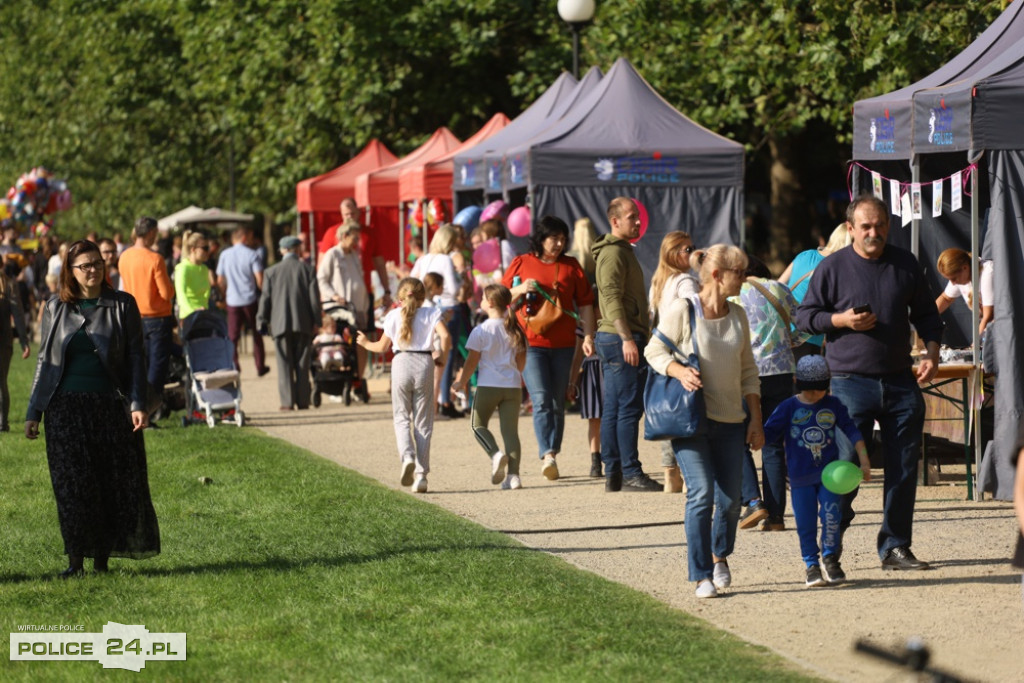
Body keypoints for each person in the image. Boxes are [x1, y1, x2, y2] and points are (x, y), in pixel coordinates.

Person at [796, 195, 944, 571]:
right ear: (851, 229)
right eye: (865, 227)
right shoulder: (832, 267)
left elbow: (928, 315)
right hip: (848, 382)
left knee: (904, 467)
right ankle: (830, 549)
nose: (873, 232)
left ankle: (895, 547)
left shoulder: (905, 263)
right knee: (844, 467)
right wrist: (841, 321)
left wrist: (931, 353)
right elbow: (805, 318)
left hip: (899, 381)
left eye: (879, 225)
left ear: (887, 226)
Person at [24, 240, 160, 577]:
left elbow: (136, 357)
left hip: (110, 407)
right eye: (84, 265)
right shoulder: (55, 307)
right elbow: (45, 362)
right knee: (71, 485)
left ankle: (101, 560)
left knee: (107, 484)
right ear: (70, 271)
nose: (93, 269)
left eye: (97, 262)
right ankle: (75, 561)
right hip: (65, 409)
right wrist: (33, 411)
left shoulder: (123, 304)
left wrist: (138, 403)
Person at [644, 244, 763, 599]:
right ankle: (700, 575)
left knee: (729, 502)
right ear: (717, 275)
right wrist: (678, 370)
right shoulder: (684, 309)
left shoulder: (739, 315)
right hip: (691, 421)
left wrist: (755, 420)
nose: (744, 279)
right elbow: (654, 350)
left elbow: (748, 372)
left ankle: (719, 556)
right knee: (701, 493)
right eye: (739, 273)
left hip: (731, 420)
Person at [762, 355, 872, 587]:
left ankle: (830, 558)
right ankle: (811, 565)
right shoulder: (788, 407)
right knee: (806, 523)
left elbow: (852, 432)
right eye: (810, 391)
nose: (815, 396)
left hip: (829, 477)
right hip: (800, 478)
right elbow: (768, 434)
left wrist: (864, 460)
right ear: (797, 383)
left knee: (832, 516)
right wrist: (751, 437)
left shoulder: (833, 405)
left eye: (820, 390)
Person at [503, 215, 596, 481]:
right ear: (541, 238)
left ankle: (553, 451)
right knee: (542, 399)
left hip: (565, 345)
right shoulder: (522, 262)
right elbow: (498, 297)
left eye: (562, 239)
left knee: (558, 402)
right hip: (531, 344)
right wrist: (520, 288)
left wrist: (588, 336)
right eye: (553, 238)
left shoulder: (571, 266)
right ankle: (547, 455)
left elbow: (586, 304)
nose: (558, 243)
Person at [735, 256, 810, 531]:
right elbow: (804, 326)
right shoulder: (780, 289)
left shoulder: (734, 293)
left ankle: (753, 502)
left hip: (745, 374)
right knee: (773, 445)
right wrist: (788, 343)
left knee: (737, 439)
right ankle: (776, 517)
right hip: (780, 372)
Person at [357, 277, 450, 493]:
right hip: (424, 363)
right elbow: (446, 336)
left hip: (400, 363)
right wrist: (443, 356)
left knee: (401, 417)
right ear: (422, 296)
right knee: (423, 422)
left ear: (400, 297)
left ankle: (407, 455)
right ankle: (421, 475)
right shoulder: (431, 313)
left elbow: (381, 347)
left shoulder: (392, 316)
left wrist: (364, 343)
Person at [593, 198, 659, 492]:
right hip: (619, 338)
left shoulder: (620, 251)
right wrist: (627, 338)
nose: (637, 222)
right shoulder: (613, 254)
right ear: (615, 221)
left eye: (638, 217)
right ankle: (629, 471)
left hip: (616, 337)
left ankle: (615, 474)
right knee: (628, 409)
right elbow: (610, 297)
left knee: (615, 409)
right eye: (631, 217)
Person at [451, 284, 528, 489]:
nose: (481, 302)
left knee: (477, 425)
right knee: (510, 432)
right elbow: (521, 365)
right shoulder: (515, 329)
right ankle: (514, 476)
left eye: (483, 298)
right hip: (512, 387)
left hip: (488, 386)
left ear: (491, 303)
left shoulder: (481, 330)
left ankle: (495, 454)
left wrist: (461, 382)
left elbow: (471, 362)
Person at [648, 231, 700, 493]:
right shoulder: (684, 282)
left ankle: (670, 473)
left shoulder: (659, 281)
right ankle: (686, 472)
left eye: (692, 248)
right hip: (684, 352)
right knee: (687, 411)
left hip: (663, 352)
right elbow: (697, 313)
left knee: (668, 409)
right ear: (672, 254)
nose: (691, 253)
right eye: (686, 249)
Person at [117, 216, 175, 421]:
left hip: (134, 316)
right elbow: (166, 293)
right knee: (156, 369)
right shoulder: (154, 259)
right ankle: (148, 412)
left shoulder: (124, 256)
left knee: (139, 366)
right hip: (157, 317)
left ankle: (137, 408)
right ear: (150, 233)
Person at [257, 236, 321, 411]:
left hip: (279, 324)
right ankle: (302, 401)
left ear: (282, 250)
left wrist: (261, 319)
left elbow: (266, 299)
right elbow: (314, 300)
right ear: (297, 250)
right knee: (302, 364)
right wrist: (318, 321)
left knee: (284, 364)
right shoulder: (308, 270)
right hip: (304, 323)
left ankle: (287, 402)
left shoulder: (271, 272)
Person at [412, 224, 467, 418]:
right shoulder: (446, 259)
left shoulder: (423, 259)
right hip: (446, 307)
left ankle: (432, 404)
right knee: (446, 356)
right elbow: (451, 288)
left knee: (430, 354)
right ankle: (443, 401)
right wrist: (461, 279)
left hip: (425, 308)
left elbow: (412, 282)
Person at [779, 224, 853, 360]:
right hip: (808, 336)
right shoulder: (837, 268)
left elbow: (779, 284)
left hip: (783, 330)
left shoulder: (805, 255)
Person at [318, 219, 372, 402]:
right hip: (340, 311)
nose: (357, 242)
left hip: (357, 310)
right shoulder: (333, 254)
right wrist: (333, 296)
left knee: (361, 345)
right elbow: (321, 279)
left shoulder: (354, 255)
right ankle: (339, 385)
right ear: (344, 236)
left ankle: (358, 380)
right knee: (342, 346)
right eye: (354, 238)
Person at [216, 224, 269, 377]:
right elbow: (260, 280)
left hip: (232, 300)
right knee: (257, 333)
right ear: (244, 237)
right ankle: (260, 365)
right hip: (250, 299)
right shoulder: (252, 255)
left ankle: (234, 365)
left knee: (233, 336)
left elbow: (220, 280)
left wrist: (224, 295)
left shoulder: (225, 255)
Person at [934, 247, 994, 336]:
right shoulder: (963, 274)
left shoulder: (988, 272)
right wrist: (927, 316)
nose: (953, 284)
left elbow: (988, 316)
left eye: (954, 279)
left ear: (965, 268)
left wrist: (976, 344)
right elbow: (946, 298)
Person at [1, 264, 30, 432]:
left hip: (4, 341)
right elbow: (18, 314)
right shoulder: (10, 284)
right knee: (1, 382)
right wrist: (23, 341)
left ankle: (2, 424)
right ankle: (2, 423)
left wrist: (24, 341)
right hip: (5, 341)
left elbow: (18, 315)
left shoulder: (8, 285)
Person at [173, 230, 213, 323]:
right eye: (205, 248)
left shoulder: (204, 268)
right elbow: (181, 295)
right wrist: (193, 311)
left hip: (203, 314)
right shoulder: (183, 268)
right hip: (189, 317)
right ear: (193, 249)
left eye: (208, 248)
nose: (208, 251)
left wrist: (204, 309)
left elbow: (206, 293)